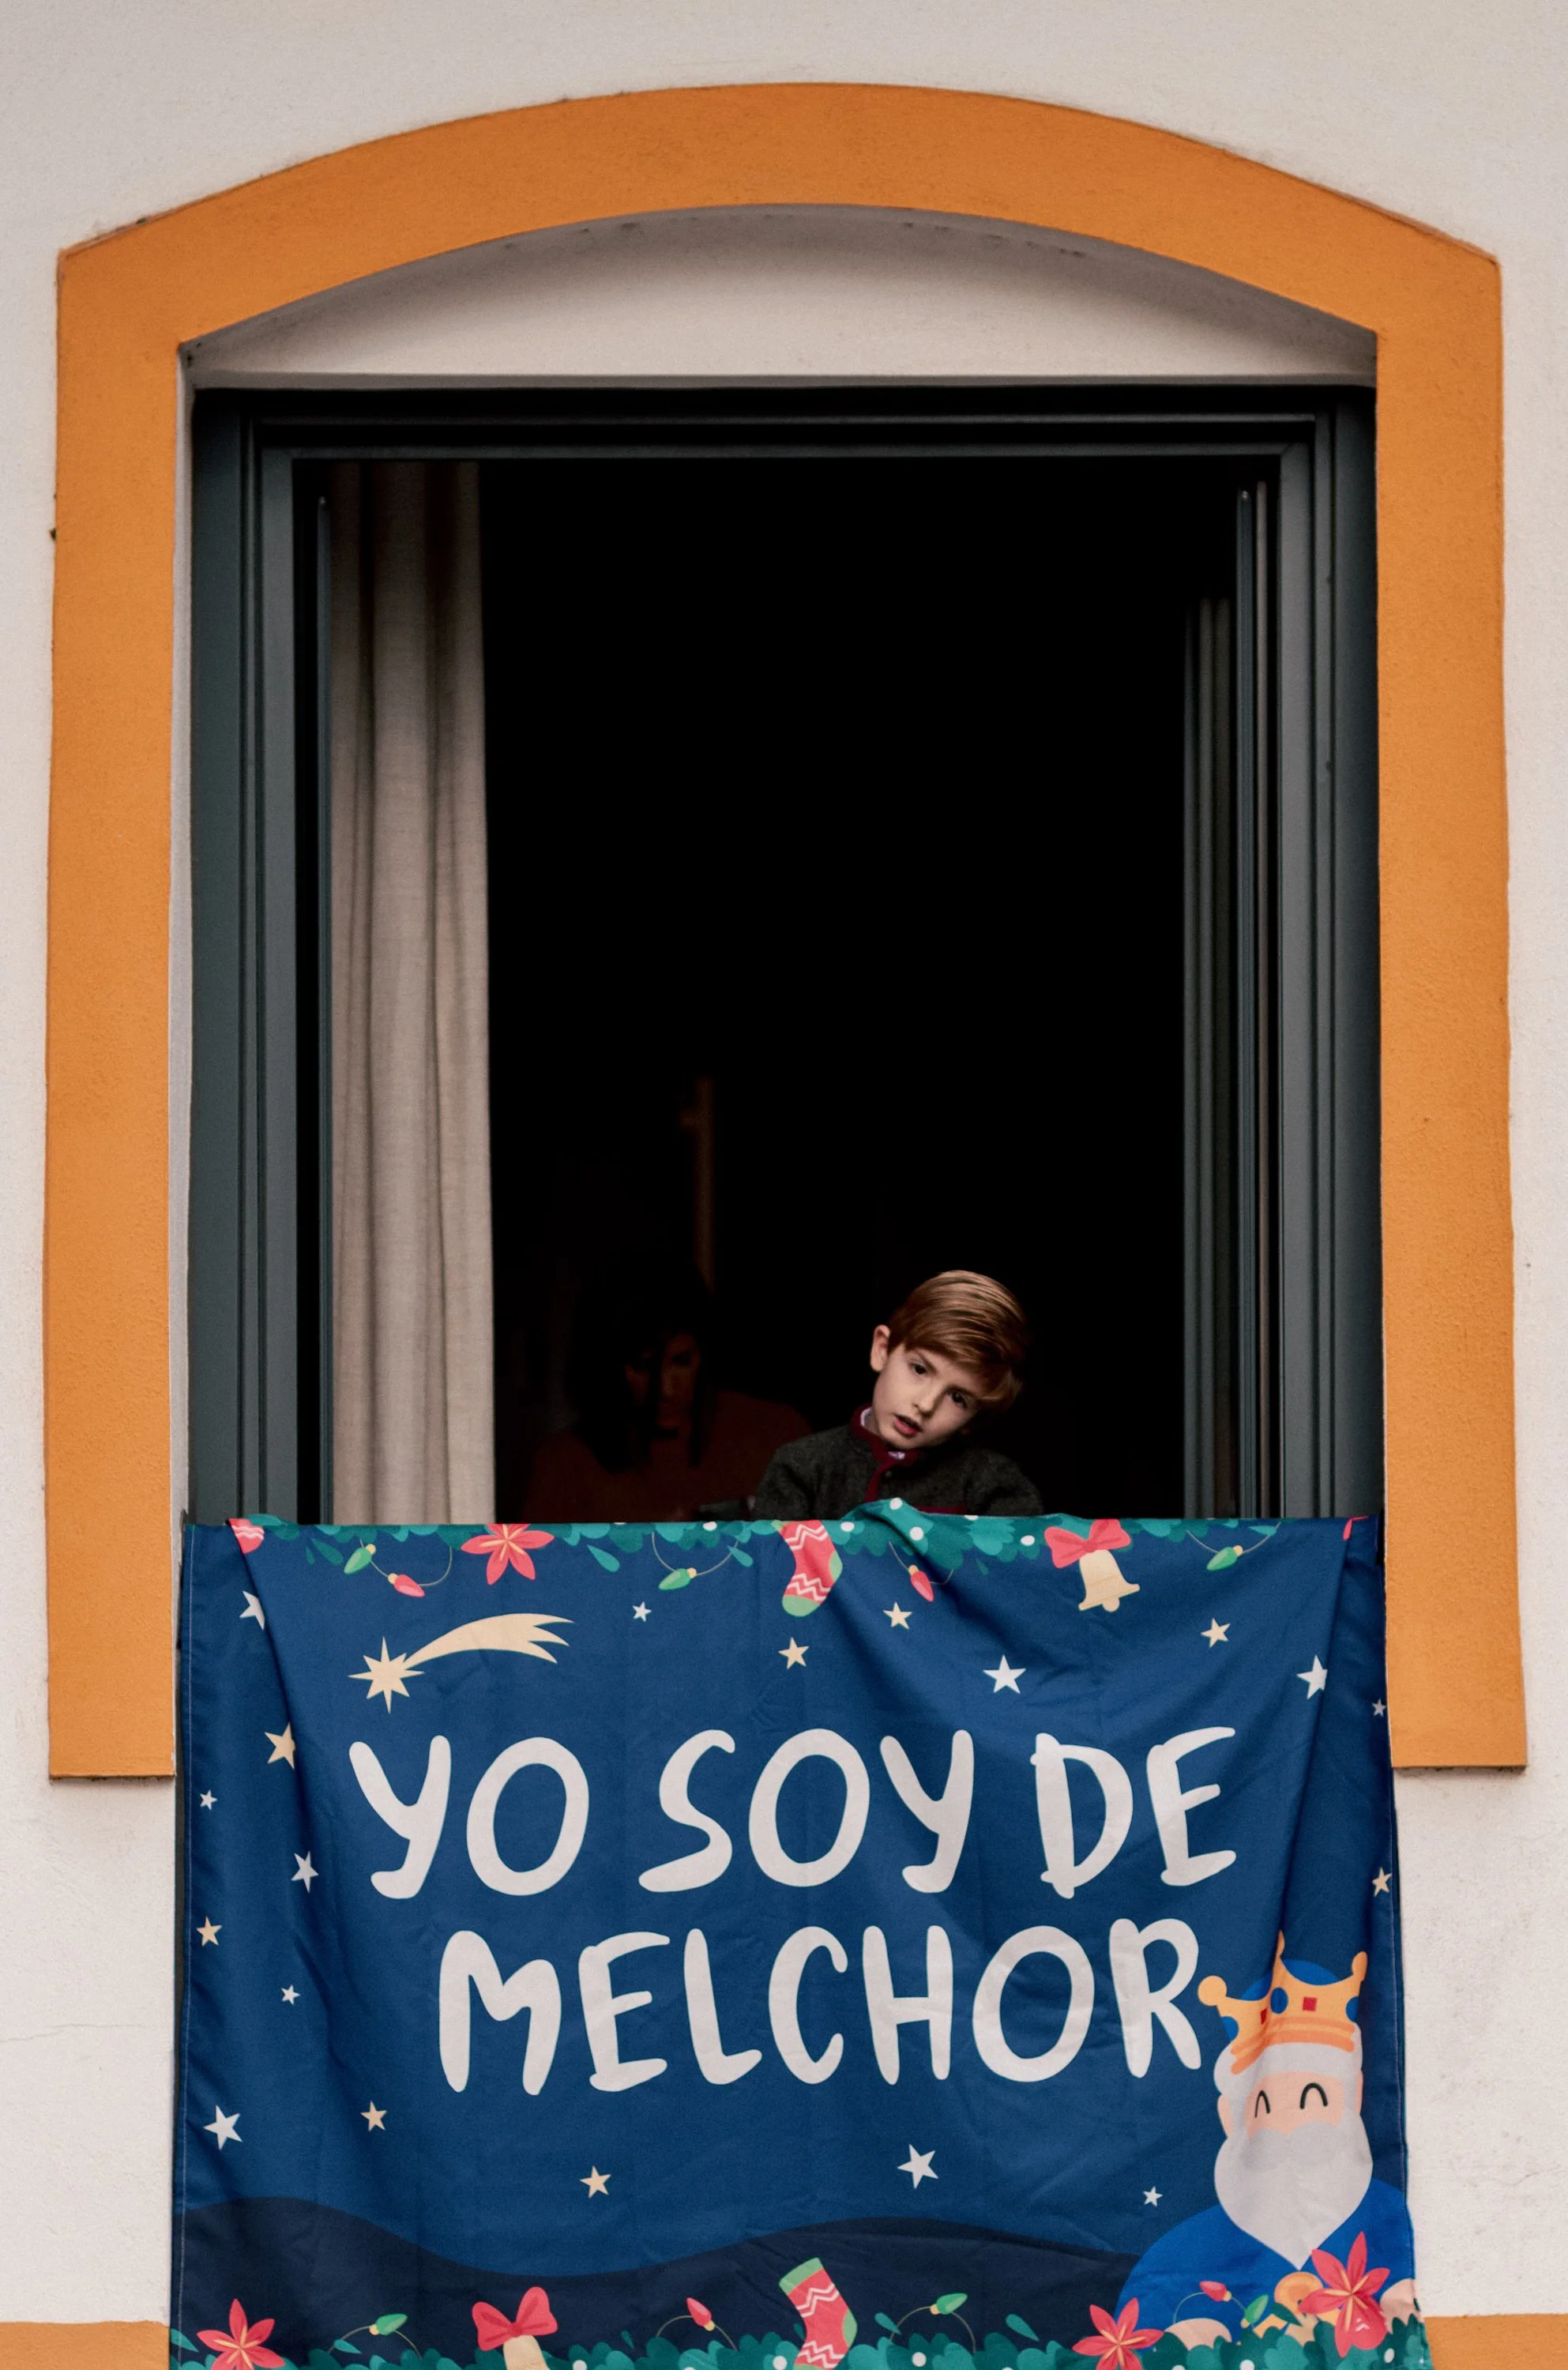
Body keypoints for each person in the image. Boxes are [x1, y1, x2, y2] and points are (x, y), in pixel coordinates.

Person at [1119, 1939, 1417, 2348]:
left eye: (1314, 2100)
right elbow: (1142, 2330)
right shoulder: (1183, 2247)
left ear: (1356, 2093)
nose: (1289, 2128)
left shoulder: (1378, 2210)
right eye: (1264, 2104)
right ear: (1231, 2116)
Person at [525, 1246, 807, 1521]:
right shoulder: (566, 1465)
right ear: (607, 1363)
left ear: (704, 1353)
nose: (665, 1390)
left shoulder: (773, 1435)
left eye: (682, 1361)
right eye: (643, 1366)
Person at [752, 1270, 1042, 1518]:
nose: (925, 1405)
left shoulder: (995, 1484)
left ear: (973, 1419)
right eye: (919, 1369)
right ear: (882, 1350)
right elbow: (772, 1573)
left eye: (958, 1398)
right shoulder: (801, 1466)